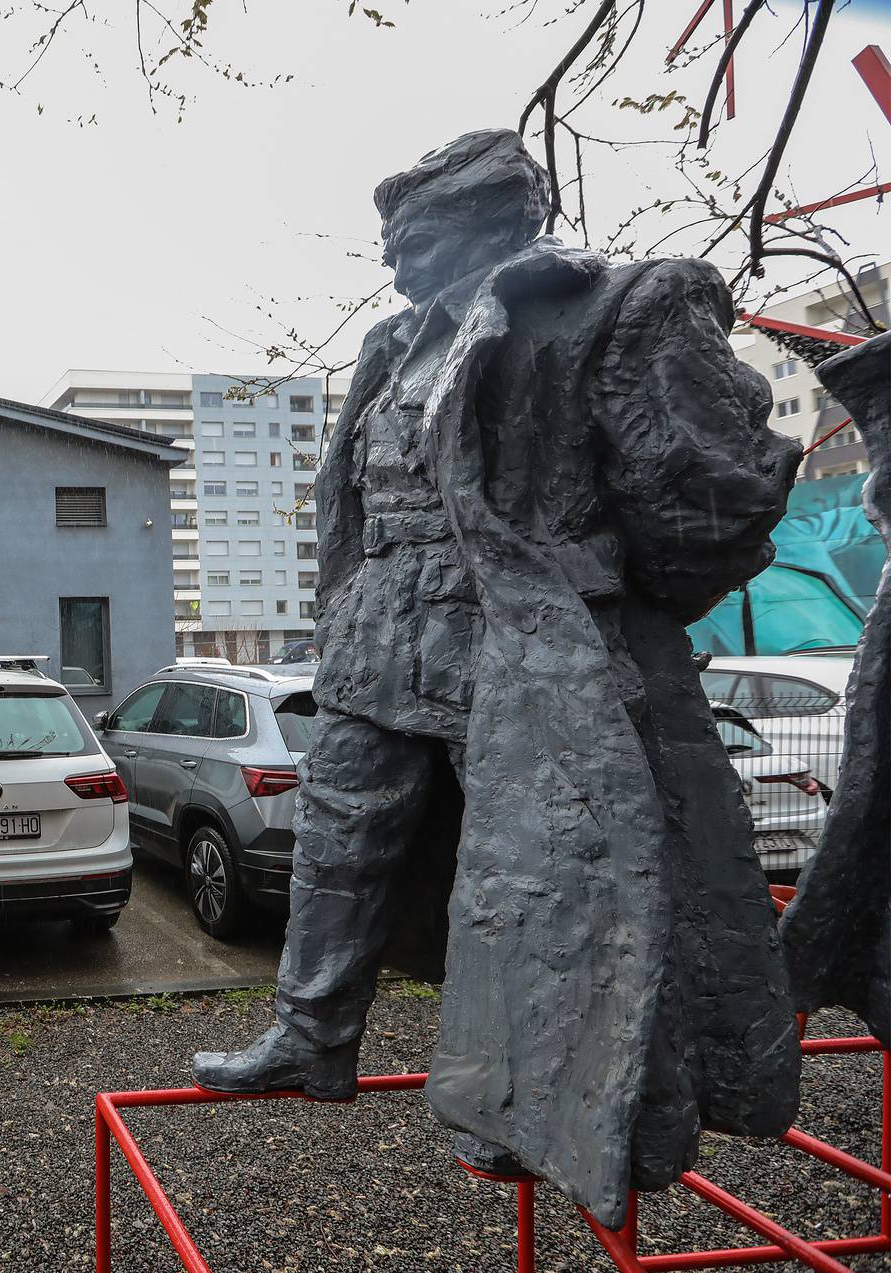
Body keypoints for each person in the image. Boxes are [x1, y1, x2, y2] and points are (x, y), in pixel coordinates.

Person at [192, 130, 803, 1228]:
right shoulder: (390, 344)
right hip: (381, 625)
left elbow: (715, 491)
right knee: (339, 838)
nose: (392, 264)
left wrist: (611, 595)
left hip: (517, 634)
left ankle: (525, 1103)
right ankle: (311, 1033)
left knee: (530, 881)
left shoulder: (607, 306)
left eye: (411, 238)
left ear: (491, 220)